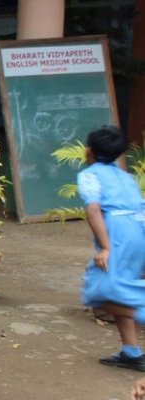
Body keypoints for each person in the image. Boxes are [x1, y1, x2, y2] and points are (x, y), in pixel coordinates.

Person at [72, 127, 145, 371]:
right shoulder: (126, 176)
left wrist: (105, 247)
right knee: (121, 289)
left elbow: (93, 209)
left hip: (118, 234)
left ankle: (142, 311)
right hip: (138, 231)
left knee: (97, 295)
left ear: (88, 151)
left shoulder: (90, 175)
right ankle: (131, 352)